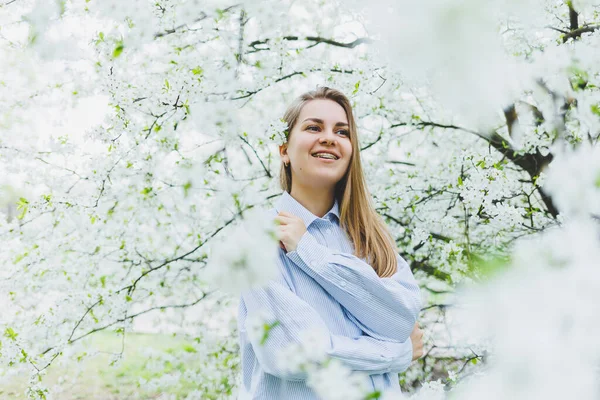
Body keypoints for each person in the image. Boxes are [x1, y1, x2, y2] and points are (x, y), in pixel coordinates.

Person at [237, 87, 423, 399]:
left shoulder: (372, 237)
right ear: (284, 150)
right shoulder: (257, 240)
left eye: (342, 131)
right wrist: (394, 354)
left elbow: (400, 322)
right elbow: (291, 352)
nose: (329, 138)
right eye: (313, 127)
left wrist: (309, 252)